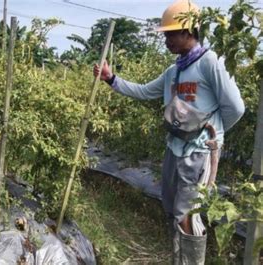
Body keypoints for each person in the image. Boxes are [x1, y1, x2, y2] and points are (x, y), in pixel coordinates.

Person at [94, 0, 244, 264]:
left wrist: (213, 138)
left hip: (198, 154)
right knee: (173, 209)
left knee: (187, 214)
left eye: (170, 33)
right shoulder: (174, 72)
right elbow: (143, 91)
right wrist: (111, 79)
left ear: (188, 31)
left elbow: (235, 108)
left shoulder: (211, 63)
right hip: (174, 149)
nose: (166, 40)